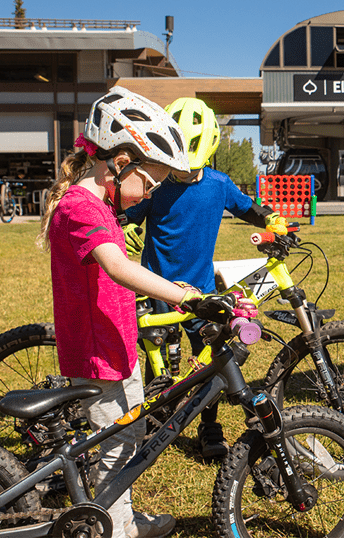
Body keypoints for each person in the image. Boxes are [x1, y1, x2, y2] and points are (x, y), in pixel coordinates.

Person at [35, 86, 222, 538]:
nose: (149, 194)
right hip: (100, 358)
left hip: (114, 346)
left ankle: (125, 519)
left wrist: (176, 286)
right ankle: (117, 530)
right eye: (150, 182)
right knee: (117, 450)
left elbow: (120, 268)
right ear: (121, 164)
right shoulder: (82, 207)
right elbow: (117, 268)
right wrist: (189, 299)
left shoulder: (96, 205)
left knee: (127, 440)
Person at [122, 97, 287, 459]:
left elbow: (248, 208)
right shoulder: (158, 185)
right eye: (175, 167)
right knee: (158, 359)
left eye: (187, 169)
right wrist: (128, 229)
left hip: (201, 291)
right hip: (157, 287)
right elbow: (129, 215)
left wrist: (271, 218)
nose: (179, 174)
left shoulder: (218, 184)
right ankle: (156, 418)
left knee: (209, 359)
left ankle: (209, 425)